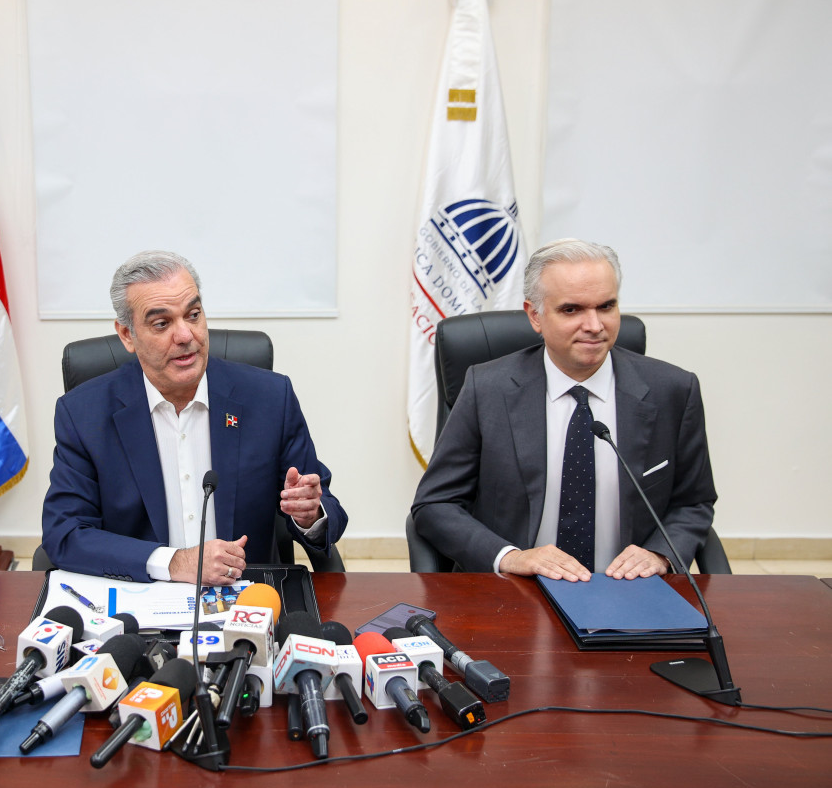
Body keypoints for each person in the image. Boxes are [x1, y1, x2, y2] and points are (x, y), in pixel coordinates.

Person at [411, 238, 716, 580]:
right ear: (535, 316)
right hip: (516, 588)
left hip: (628, 587)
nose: (594, 326)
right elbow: (435, 504)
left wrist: (660, 553)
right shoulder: (487, 389)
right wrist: (510, 557)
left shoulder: (673, 390)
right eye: (572, 310)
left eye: (606, 306)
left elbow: (693, 502)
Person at [41, 250, 347, 584]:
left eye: (193, 315)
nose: (186, 335)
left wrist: (309, 515)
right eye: (162, 323)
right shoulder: (83, 414)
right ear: (127, 335)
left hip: (247, 596)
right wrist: (174, 562)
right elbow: (65, 533)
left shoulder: (270, 398)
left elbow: (326, 507)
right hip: (137, 596)